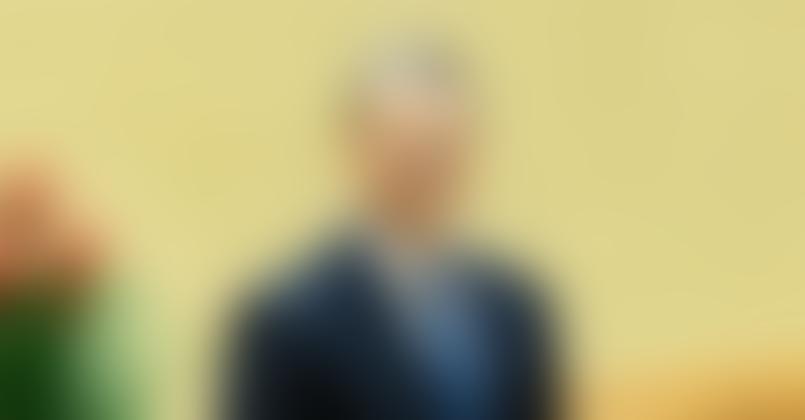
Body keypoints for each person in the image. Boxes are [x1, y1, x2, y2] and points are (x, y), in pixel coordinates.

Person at [229, 37, 561, 420]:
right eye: (404, 145)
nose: (423, 164)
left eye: (438, 144)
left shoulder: (510, 309)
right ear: (359, 146)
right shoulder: (292, 320)